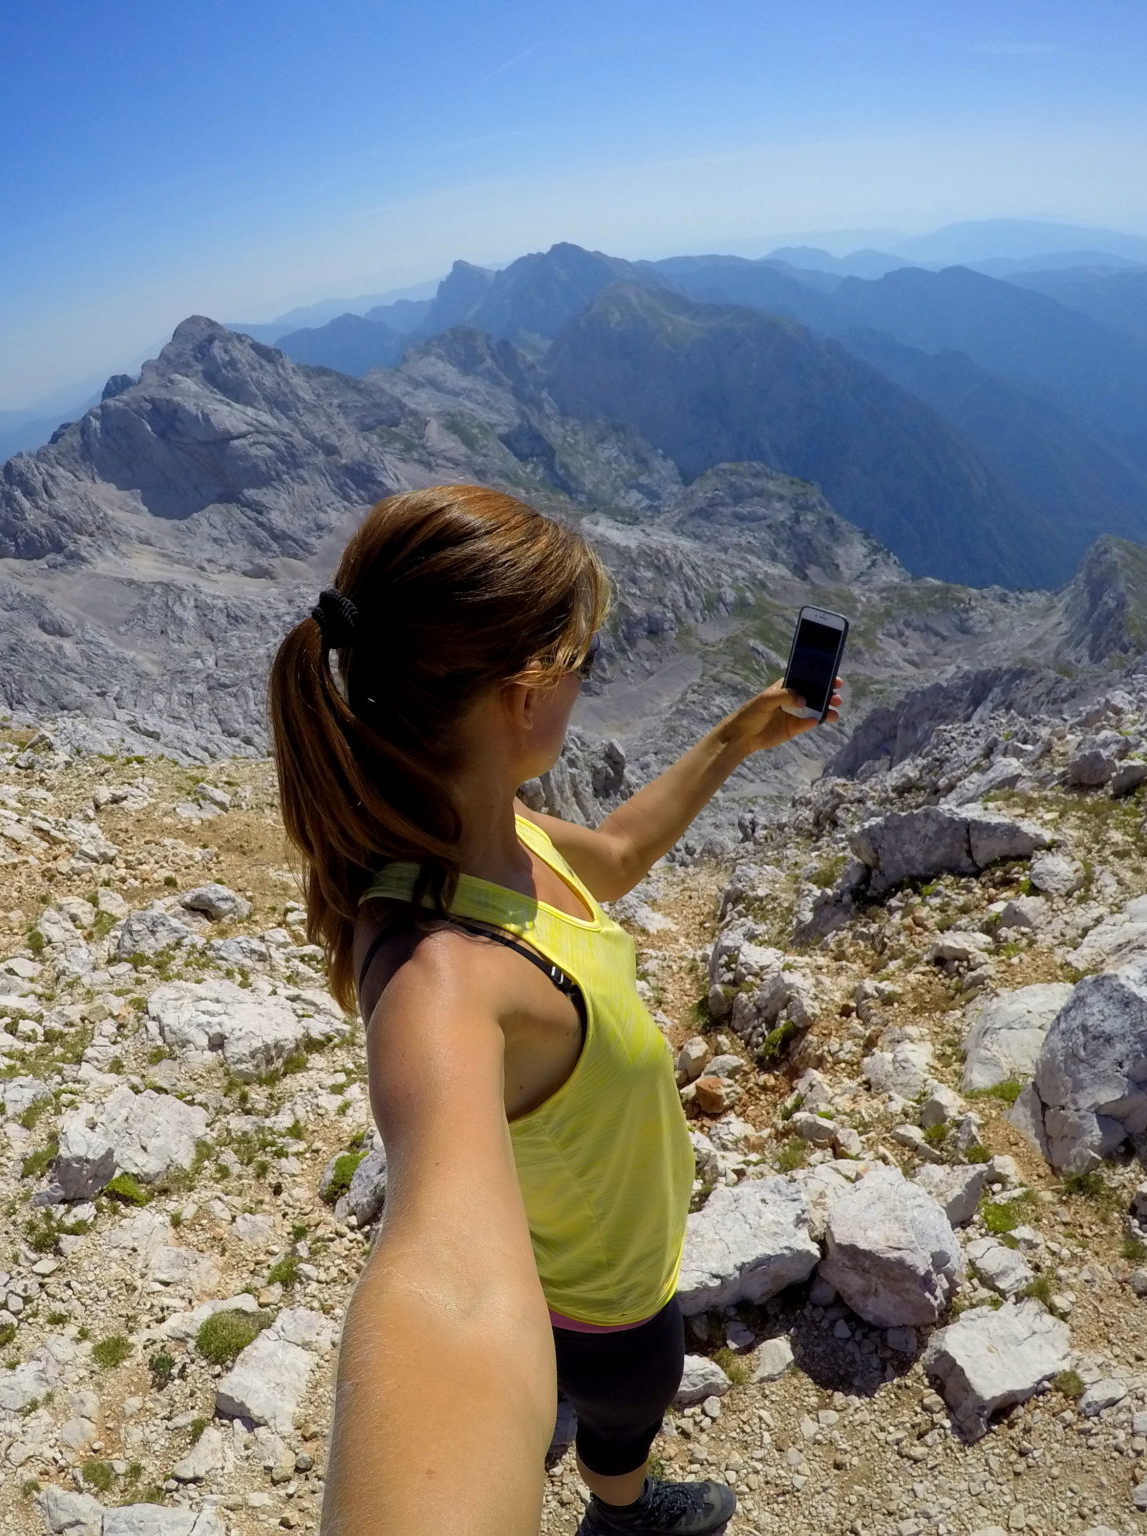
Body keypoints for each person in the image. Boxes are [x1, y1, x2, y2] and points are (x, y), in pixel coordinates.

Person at [270, 485, 841, 1536]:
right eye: (581, 663)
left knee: (599, 1406)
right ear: (524, 696)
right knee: (627, 1411)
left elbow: (614, 859)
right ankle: (617, 1513)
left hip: (575, 1248)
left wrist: (737, 734)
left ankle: (570, 1451)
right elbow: (446, 1292)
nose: (585, 686)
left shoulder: (472, 828)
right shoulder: (442, 985)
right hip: (601, 1292)